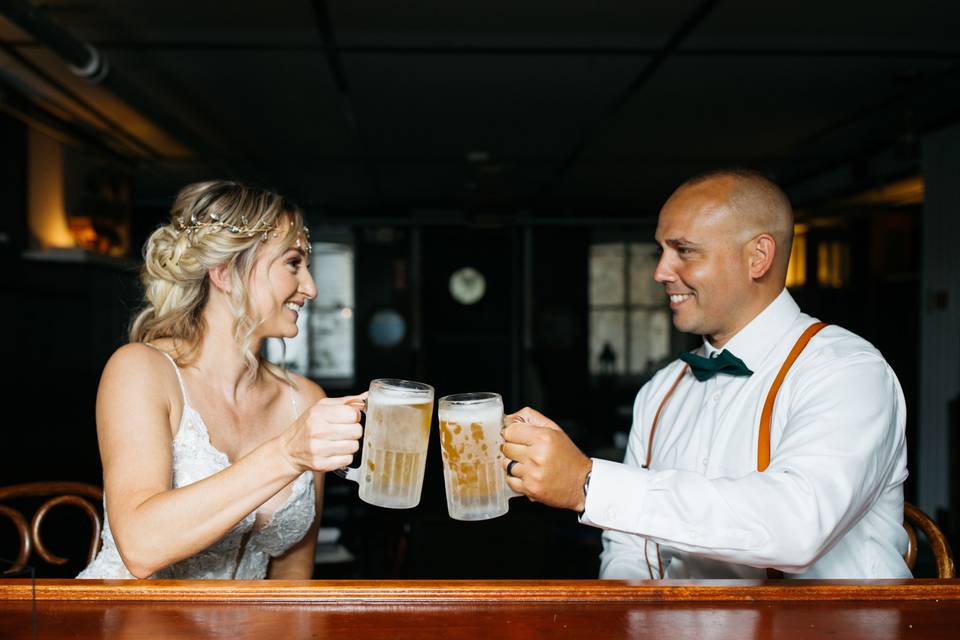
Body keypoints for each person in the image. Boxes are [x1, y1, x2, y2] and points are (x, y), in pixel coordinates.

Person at [501, 169, 910, 579]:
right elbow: (629, 548)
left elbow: (797, 526)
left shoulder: (846, 371)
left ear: (758, 257)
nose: (661, 271)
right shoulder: (662, 389)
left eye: (684, 250)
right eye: (661, 250)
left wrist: (587, 483)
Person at [78, 181, 364, 579]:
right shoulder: (141, 371)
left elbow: (292, 584)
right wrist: (286, 454)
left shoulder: (305, 398)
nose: (310, 288)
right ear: (226, 273)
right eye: (293, 263)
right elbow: (140, 547)